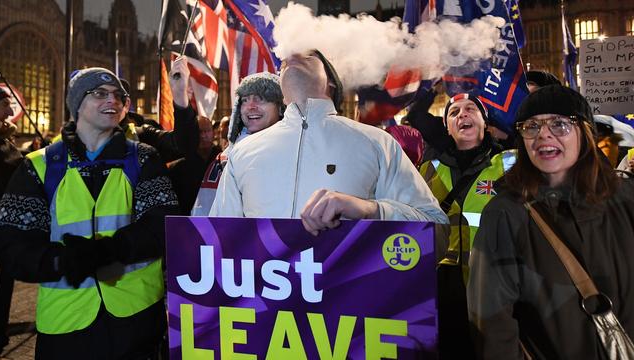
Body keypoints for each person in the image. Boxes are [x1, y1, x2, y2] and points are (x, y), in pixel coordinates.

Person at [0, 68, 178, 359]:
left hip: (136, 319)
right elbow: (11, 244)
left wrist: (109, 250)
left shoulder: (143, 159)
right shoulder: (38, 166)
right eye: (100, 93)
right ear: (77, 103)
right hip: (66, 323)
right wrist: (61, 260)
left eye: (119, 95)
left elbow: (161, 227)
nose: (113, 101)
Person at [468, 85, 634, 359]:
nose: (543, 134)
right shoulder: (506, 213)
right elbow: (492, 320)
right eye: (531, 126)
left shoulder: (626, 198)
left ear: (585, 132)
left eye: (559, 124)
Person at [210, 50, 447, 232]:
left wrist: (370, 210)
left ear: (331, 82)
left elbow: (436, 227)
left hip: (348, 292)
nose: (294, 54)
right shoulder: (243, 152)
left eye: (309, 55)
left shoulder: (377, 143)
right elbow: (218, 234)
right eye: (286, 59)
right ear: (282, 90)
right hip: (266, 291)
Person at [418, 93, 516, 359]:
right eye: (454, 113)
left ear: (485, 123)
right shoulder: (427, 169)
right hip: (442, 285)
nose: (462, 114)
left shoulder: (511, 163)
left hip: (494, 281)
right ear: (448, 129)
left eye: (471, 109)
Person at [191, 72, 285, 216]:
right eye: (245, 100)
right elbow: (204, 217)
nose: (251, 106)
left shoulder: (297, 151)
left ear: (280, 107)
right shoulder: (224, 160)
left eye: (261, 99)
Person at [0, 84, 23, 356]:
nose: (10, 110)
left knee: (6, 279)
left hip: (5, 223)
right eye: (4, 104)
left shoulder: (6, 141)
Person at [169, 115, 220, 215]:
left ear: (213, 133)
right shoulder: (178, 167)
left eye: (207, 131)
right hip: (188, 222)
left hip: (218, 220)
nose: (203, 135)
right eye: (199, 131)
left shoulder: (223, 160)